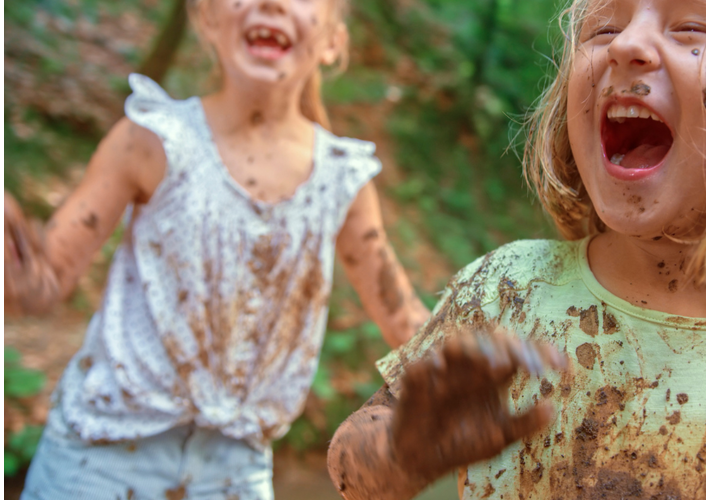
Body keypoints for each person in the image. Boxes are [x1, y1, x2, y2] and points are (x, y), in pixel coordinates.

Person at [325, 0, 706, 498]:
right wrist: (401, 455)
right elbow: (352, 470)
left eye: (690, 26)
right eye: (602, 26)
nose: (625, 44)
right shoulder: (507, 293)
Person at [3, 0, 431, 498]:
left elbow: (408, 329)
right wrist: (17, 272)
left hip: (234, 474)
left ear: (334, 41)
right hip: (97, 459)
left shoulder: (342, 179)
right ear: (207, 18)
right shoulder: (152, 139)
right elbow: (46, 280)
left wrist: (500, 363)